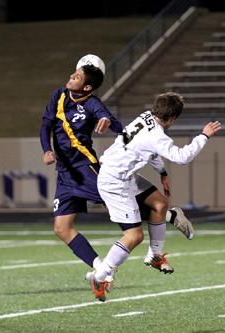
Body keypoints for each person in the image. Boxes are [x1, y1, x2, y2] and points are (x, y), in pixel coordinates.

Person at [40, 56, 194, 290]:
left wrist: (104, 119)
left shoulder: (92, 103)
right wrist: (46, 150)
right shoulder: (59, 95)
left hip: (85, 168)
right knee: (61, 228)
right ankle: (100, 266)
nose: (73, 75)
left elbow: (113, 122)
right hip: (64, 173)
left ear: (88, 86)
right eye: (75, 72)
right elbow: (45, 124)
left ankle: (166, 217)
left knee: (121, 208)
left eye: (78, 75)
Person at [90, 91, 221, 301]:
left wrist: (162, 172)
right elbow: (182, 157)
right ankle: (101, 275)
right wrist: (203, 136)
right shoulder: (157, 135)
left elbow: (146, 149)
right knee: (134, 236)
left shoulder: (145, 116)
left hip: (121, 173)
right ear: (174, 118)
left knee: (160, 203)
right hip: (114, 182)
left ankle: (155, 256)